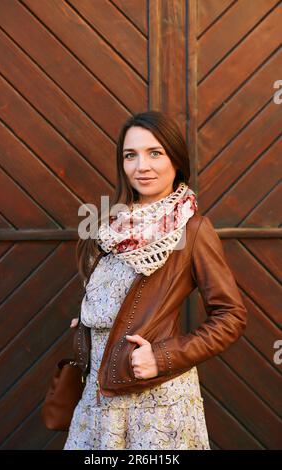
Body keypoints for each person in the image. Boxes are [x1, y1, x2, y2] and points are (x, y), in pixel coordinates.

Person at [63, 110, 247, 450]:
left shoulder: (192, 230)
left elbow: (231, 316)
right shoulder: (108, 227)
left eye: (155, 153)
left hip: (157, 403)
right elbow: (118, 297)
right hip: (99, 396)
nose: (141, 166)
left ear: (175, 159)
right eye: (130, 155)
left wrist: (163, 356)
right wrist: (92, 322)